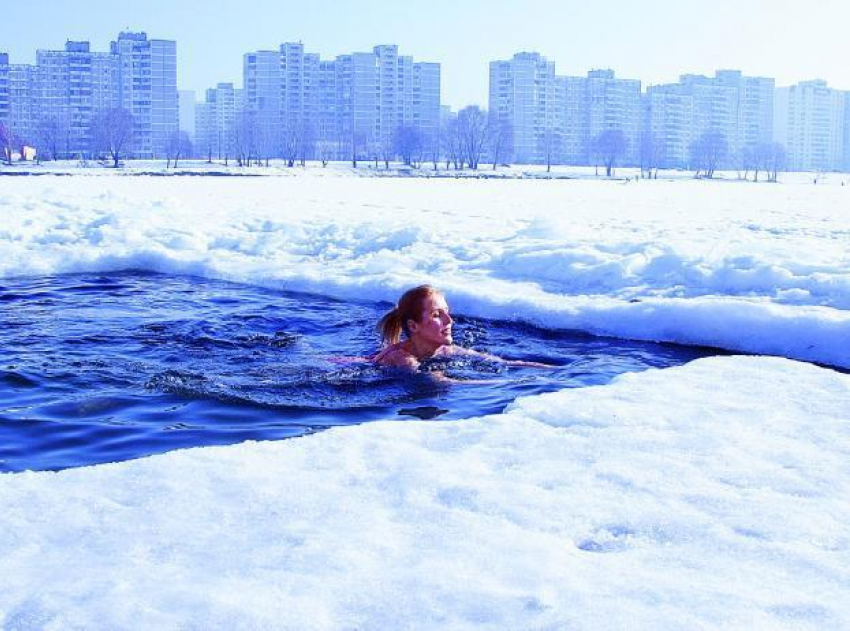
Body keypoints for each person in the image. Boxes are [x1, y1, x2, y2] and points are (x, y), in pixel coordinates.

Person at [373, 285, 550, 369]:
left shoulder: (444, 350)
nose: (449, 320)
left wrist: (553, 371)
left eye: (447, 312)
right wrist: (512, 385)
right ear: (413, 326)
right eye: (437, 315)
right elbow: (442, 382)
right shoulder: (401, 358)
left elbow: (501, 362)